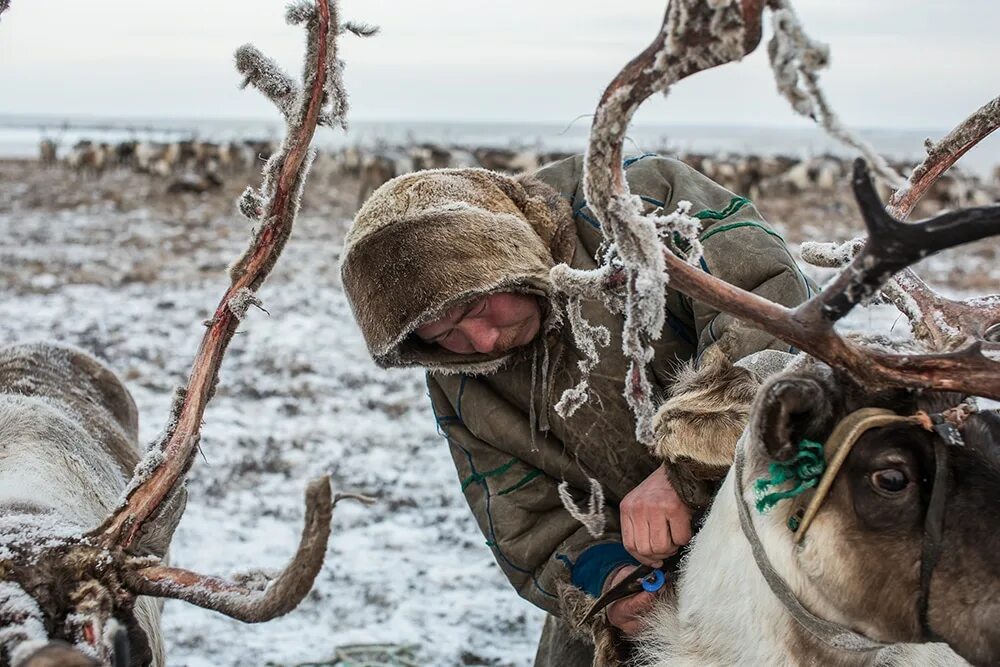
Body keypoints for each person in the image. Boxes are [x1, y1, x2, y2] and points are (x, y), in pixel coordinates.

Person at [339, 153, 811, 665]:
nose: (483, 339)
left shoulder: (633, 202)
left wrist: (685, 468)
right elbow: (526, 515)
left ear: (506, 254)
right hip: (650, 572)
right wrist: (609, 579)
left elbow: (772, 319)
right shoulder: (460, 379)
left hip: (793, 506)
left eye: (476, 306)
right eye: (445, 335)